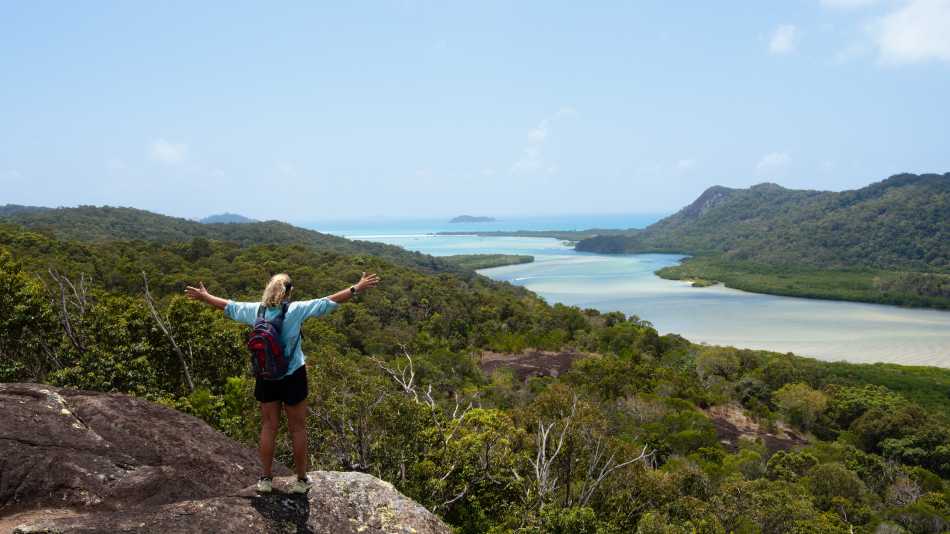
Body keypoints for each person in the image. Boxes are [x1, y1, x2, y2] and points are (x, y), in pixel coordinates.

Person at [185, 271, 380, 494]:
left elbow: (229, 306)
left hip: (266, 376)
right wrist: (357, 287)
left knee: (269, 427)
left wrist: (205, 297)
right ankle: (301, 480)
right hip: (293, 375)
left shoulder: (257, 311)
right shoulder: (295, 310)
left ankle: (266, 479)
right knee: (297, 429)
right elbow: (329, 301)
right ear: (289, 292)